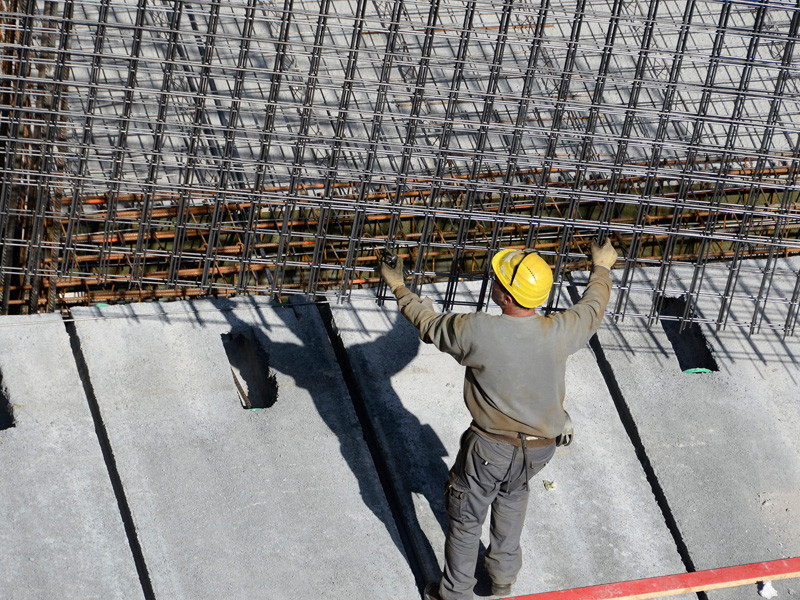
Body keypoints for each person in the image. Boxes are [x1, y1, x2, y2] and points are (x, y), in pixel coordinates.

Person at [379, 240, 618, 600]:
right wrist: (602, 267)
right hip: (539, 450)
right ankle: (502, 581)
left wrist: (398, 285)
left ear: (505, 297)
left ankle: (455, 593)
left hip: (490, 449)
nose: (492, 280)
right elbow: (593, 306)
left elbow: (427, 324)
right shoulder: (561, 330)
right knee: (512, 500)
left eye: (497, 279)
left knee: (465, 518)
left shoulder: (477, 331)